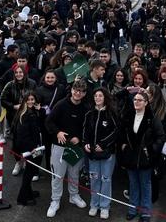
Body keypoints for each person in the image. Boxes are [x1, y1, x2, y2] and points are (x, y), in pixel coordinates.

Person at [44, 79, 89, 218]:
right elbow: (49, 121)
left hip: (76, 147)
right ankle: (55, 200)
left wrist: (80, 139)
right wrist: (57, 132)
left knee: (74, 174)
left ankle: (73, 195)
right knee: (58, 175)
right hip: (59, 146)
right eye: (76, 90)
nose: (77, 93)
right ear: (72, 90)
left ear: (84, 93)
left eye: (81, 91)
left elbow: (88, 128)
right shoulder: (61, 104)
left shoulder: (86, 108)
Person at [119, 89, 164, 221]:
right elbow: (121, 132)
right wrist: (123, 145)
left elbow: (161, 137)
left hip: (145, 158)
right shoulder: (128, 116)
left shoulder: (152, 118)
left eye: (140, 100)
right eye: (135, 100)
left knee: (145, 184)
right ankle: (132, 209)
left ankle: (145, 212)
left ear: (146, 102)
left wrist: (151, 150)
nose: (136, 102)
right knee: (133, 184)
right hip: (130, 157)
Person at [83, 88, 118, 219]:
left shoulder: (111, 113)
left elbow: (115, 131)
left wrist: (103, 144)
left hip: (107, 153)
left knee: (106, 179)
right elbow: (85, 131)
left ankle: (105, 206)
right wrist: (86, 142)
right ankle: (94, 204)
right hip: (93, 154)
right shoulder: (89, 114)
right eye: (96, 96)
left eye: (100, 96)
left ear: (105, 98)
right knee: (94, 178)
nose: (97, 98)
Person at [2, 63, 37, 175]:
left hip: (30, 116)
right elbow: (3, 99)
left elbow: (36, 97)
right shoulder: (9, 85)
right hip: (14, 117)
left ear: (24, 72)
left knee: (29, 141)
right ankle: (18, 162)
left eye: (20, 72)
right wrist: (12, 106)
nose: (18, 74)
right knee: (16, 142)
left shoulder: (32, 83)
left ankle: (27, 161)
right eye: (16, 72)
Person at [13, 91, 44, 206]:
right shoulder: (27, 115)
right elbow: (23, 135)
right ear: (24, 101)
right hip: (30, 149)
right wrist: (31, 148)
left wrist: (39, 110)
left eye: (32, 99)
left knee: (30, 171)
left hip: (32, 147)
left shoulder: (28, 112)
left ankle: (29, 192)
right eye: (29, 100)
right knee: (29, 173)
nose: (31, 101)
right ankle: (22, 198)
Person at [35, 69, 67, 169]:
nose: (50, 79)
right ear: (44, 78)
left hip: (58, 122)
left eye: (52, 77)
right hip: (45, 122)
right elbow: (37, 106)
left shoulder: (61, 88)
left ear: (56, 78)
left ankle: (60, 166)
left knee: (59, 145)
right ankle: (49, 167)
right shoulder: (39, 90)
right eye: (48, 77)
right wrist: (43, 110)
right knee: (47, 146)